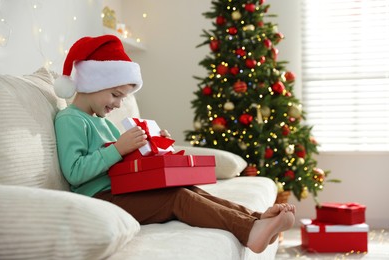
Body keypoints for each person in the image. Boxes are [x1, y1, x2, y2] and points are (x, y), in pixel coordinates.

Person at [54, 35, 295, 254]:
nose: (118, 104)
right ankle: (250, 232)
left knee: (189, 189)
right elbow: (75, 173)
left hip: (120, 190)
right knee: (177, 198)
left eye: (122, 98)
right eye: (115, 95)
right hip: (100, 200)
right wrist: (119, 148)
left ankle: (256, 219)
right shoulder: (70, 119)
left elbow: (119, 163)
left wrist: (151, 144)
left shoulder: (101, 121)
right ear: (92, 83)